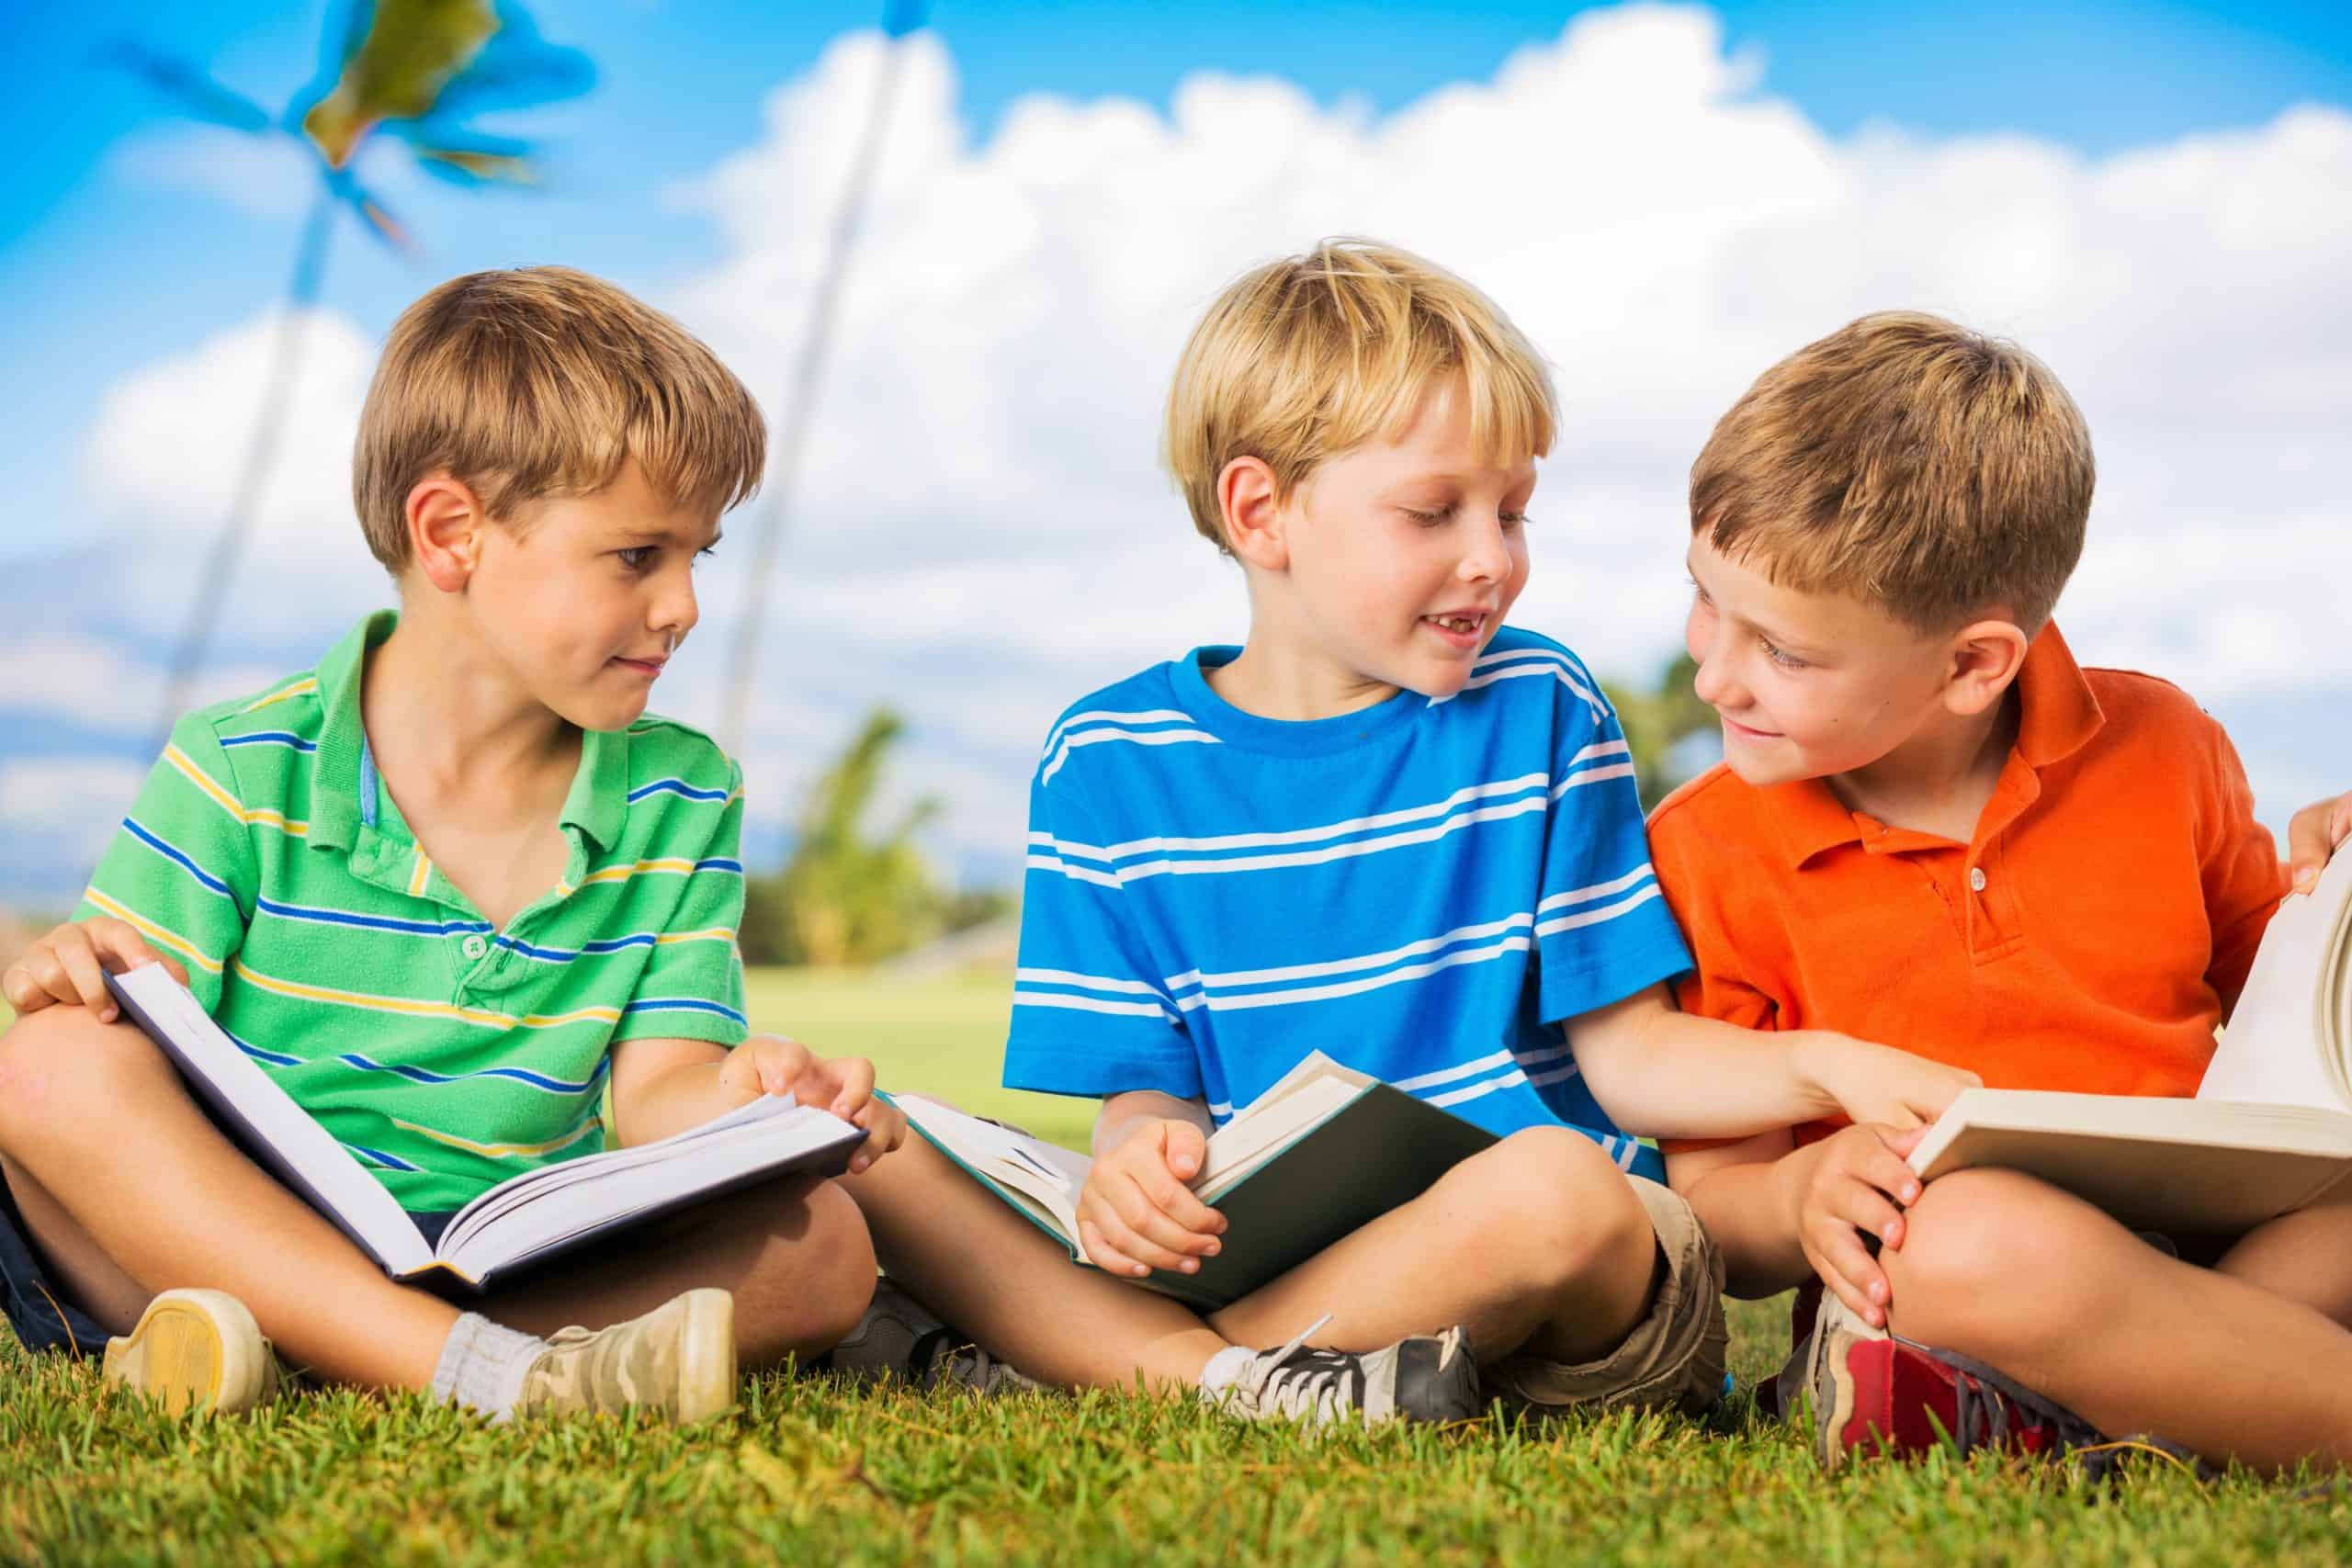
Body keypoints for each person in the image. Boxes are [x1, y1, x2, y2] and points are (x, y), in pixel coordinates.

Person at [950, 239, 1974, 1426]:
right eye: (1434, 511)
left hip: (1575, 1282)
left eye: (1513, 510)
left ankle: (1142, 1358)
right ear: (1260, 510)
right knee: (883, 1145)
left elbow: (1629, 1056)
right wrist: (1140, 1160)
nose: (1491, 558)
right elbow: (1150, 1096)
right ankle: (1263, 1372)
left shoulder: (1539, 706)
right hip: (1303, 1260)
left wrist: (1822, 1060)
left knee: (1554, 1188)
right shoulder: (1106, 764)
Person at [0, 266, 897, 1422]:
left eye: (697, 558)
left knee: (825, 1245)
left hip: (502, 1251)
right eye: (637, 557)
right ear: (451, 533)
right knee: (50, 1061)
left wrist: (757, 1099)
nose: (682, 605)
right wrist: (70, 975)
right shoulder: (241, 763)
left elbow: (660, 1090)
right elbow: (134, 1048)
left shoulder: (683, 793)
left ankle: (316, 1354)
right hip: (226, 1229)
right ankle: (483, 1373)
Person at [1649, 310, 2352, 1474]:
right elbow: (1719, 1208)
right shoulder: (1708, 844)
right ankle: (2222, 1395)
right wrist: (1806, 1195)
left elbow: (2284, 1027)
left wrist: (2329, 889)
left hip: (2213, 1252)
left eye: (1782, 651)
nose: (1711, 669)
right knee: (1969, 1245)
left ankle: (2085, 1414)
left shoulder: (2164, 743)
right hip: (1945, 1264)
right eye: (1705, 600)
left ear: (1973, 665)